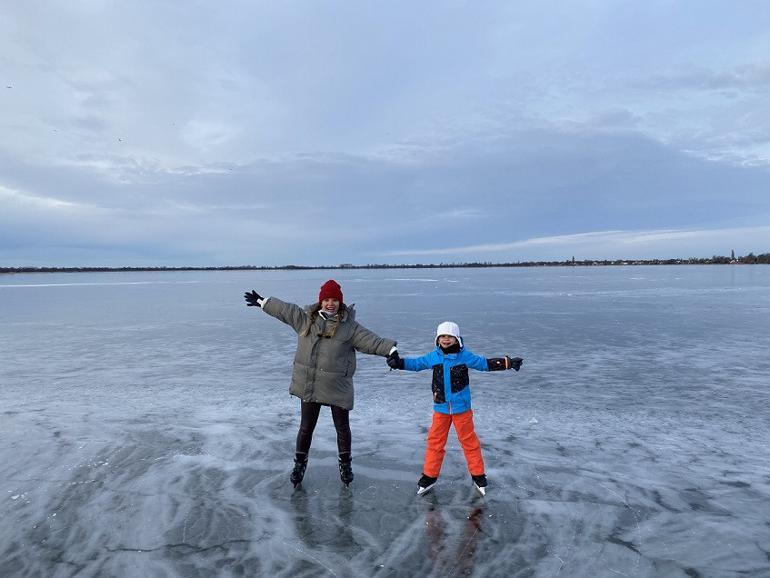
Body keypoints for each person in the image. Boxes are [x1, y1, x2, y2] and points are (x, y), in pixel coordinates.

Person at [244, 279, 397, 488]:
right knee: (306, 427)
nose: (330, 303)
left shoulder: (349, 328)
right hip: (311, 383)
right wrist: (263, 302)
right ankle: (299, 464)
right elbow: (286, 311)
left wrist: (391, 350)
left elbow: (371, 341)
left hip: (337, 386)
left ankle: (345, 464)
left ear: (340, 303)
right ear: (321, 301)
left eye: (334, 300)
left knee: (342, 428)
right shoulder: (306, 320)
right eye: (326, 299)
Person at [386, 321, 523, 496]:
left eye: (449, 336)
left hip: (462, 410)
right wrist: (399, 363)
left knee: (469, 443)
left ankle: (478, 476)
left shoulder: (464, 356)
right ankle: (429, 476)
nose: (446, 339)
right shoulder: (433, 357)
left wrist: (507, 362)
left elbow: (484, 364)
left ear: (456, 338)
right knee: (435, 443)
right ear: (437, 339)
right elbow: (417, 364)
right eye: (442, 336)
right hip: (441, 409)